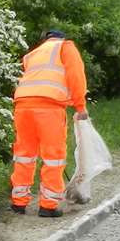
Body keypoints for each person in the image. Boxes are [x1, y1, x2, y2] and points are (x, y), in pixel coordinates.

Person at [10, 28, 88, 218]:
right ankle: (49, 205)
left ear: (45, 40)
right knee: (53, 156)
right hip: (49, 107)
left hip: (22, 105)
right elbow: (75, 76)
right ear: (61, 38)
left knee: (24, 155)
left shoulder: (32, 54)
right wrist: (80, 106)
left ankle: (18, 203)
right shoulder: (65, 47)